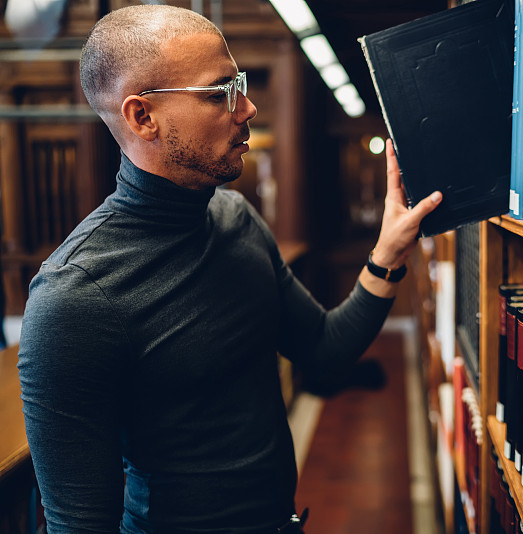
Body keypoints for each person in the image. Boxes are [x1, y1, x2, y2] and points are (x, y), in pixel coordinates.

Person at [17, 4, 442, 533]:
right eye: (221, 92)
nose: (247, 108)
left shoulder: (234, 217)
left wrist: (387, 252)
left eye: (238, 84)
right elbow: (80, 526)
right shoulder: (75, 298)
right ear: (141, 116)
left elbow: (324, 352)